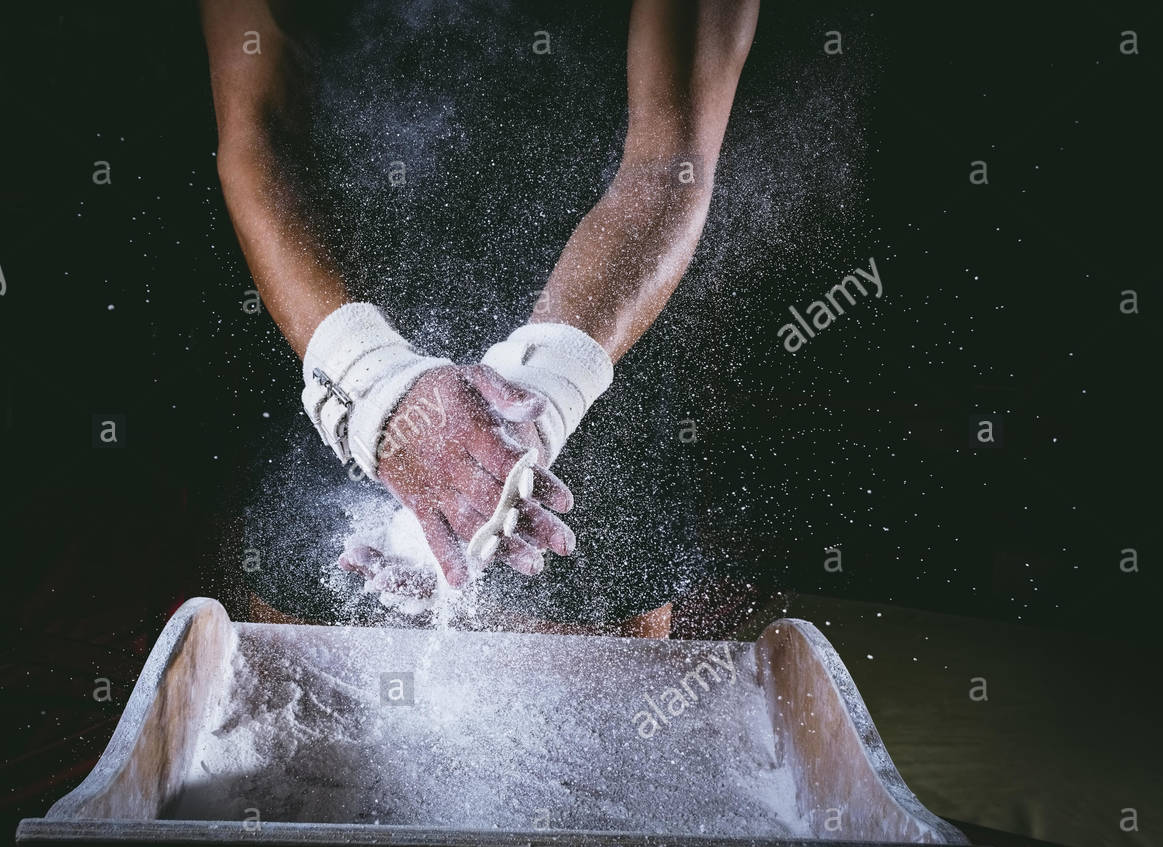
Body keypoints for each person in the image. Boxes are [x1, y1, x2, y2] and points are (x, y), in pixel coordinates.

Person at [201, 0, 760, 636]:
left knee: (597, 729)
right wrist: (377, 383)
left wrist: (540, 393)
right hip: (339, 339)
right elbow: (258, 135)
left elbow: (671, 157)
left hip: (591, 343)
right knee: (294, 720)